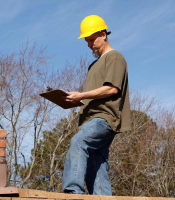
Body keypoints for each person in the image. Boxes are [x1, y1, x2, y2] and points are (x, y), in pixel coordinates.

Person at [62, 15, 131, 195]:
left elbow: (112, 89)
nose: (89, 44)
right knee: (96, 164)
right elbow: (94, 95)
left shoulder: (114, 57)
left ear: (103, 34)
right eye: (87, 41)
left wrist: (82, 95)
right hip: (91, 119)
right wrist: (74, 100)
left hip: (104, 119)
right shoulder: (93, 65)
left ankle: (72, 192)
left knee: (78, 142)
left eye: (92, 39)